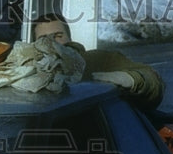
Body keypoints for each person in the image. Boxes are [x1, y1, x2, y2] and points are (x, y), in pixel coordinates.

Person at [32, 13, 165, 110]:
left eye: (58, 36)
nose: (52, 42)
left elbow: (153, 81)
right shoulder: (27, 71)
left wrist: (133, 80)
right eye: (44, 39)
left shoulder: (97, 60)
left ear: (69, 38)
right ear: (34, 44)